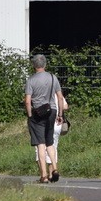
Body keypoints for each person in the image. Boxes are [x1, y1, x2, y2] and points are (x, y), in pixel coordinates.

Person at [25, 54, 64, 184]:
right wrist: (60, 115)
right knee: (50, 142)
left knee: (40, 144)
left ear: (33, 65)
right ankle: (55, 168)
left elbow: (27, 101)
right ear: (45, 64)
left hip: (38, 113)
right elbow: (59, 97)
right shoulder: (53, 77)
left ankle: (44, 175)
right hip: (52, 111)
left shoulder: (31, 80)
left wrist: (30, 115)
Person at [34, 92, 68, 182]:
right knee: (53, 147)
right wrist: (58, 110)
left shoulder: (41, 94)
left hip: (44, 123)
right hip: (57, 123)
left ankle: (43, 175)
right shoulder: (57, 94)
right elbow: (66, 106)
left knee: (40, 147)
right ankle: (51, 173)